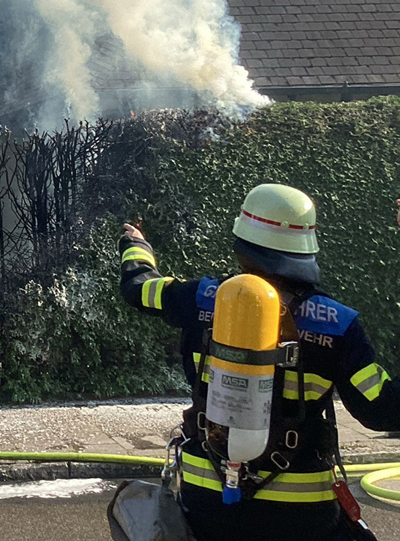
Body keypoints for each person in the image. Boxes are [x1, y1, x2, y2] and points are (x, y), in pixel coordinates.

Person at [119, 184, 400, 541]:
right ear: (307, 248)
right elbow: (382, 411)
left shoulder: (200, 298)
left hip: (208, 501)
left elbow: (139, 288)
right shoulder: (339, 324)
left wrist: (136, 246)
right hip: (302, 514)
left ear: (244, 242)